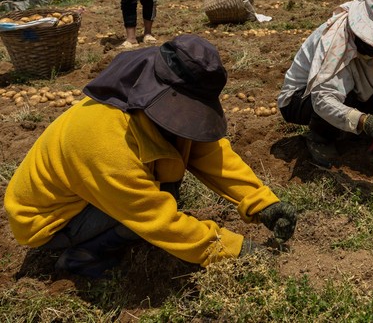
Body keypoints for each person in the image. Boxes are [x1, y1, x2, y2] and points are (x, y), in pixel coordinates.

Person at [4, 34, 296, 278]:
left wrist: (261, 202)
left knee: (164, 188)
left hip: (88, 195)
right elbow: (157, 218)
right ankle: (82, 259)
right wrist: (233, 249)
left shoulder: (146, 108)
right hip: (49, 222)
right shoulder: (106, 143)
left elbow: (210, 152)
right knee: (156, 201)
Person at [278, 0, 373, 169]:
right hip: (300, 100)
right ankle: (320, 137)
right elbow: (323, 98)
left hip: (345, 90)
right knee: (345, 96)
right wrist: (364, 121)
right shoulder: (334, 44)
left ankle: (354, 127)